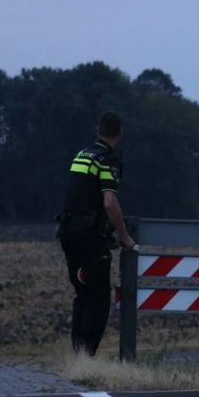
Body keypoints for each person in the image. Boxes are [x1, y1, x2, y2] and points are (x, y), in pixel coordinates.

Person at [57, 110, 137, 356]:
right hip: (88, 237)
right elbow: (109, 203)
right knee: (99, 297)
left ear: (97, 129)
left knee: (83, 293)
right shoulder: (107, 159)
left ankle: (78, 355)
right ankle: (86, 357)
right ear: (120, 132)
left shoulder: (82, 154)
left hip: (68, 231)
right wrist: (125, 237)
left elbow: (81, 195)